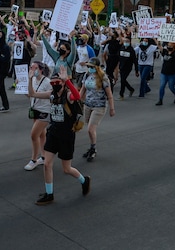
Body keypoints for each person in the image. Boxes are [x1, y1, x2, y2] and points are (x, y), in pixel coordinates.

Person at [28, 67, 90, 205]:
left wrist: (67, 81)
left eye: (58, 83)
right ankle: (49, 194)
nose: (55, 85)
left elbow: (78, 96)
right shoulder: (51, 94)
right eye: (53, 83)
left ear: (62, 83)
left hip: (66, 135)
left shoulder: (68, 96)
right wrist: (30, 78)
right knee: (47, 164)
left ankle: (84, 180)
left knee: (66, 169)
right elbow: (32, 93)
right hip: (54, 133)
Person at [80, 57, 114, 162]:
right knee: (89, 129)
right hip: (88, 104)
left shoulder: (103, 77)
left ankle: (93, 149)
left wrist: (112, 108)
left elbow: (109, 94)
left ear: (96, 67)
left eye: (91, 67)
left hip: (99, 106)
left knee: (91, 128)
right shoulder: (86, 75)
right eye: (88, 66)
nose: (89, 68)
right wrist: (77, 100)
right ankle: (91, 147)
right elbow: (82, 90)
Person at [24, 61, 52, 171]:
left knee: (33, 135)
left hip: (44, 111)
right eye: (31, 67)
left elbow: (41, 94)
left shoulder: (47, 82)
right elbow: (30, 95)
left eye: (34, 68)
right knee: (41, 134)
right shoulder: (34, 80)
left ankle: (34, 159)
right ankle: (43, 156)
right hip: (35, 109)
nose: (32, 70)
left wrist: (29, 80)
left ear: (40, 69)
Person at [156, 40, 175, 106]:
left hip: (172, 74)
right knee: (162, 86)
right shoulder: (165, 52)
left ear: (173, 46)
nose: (168, 46)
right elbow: (159, 45)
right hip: (164, 72)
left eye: (170, 45)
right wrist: (157, 40)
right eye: (168, 45)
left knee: (171, 87)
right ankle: (160, 100)